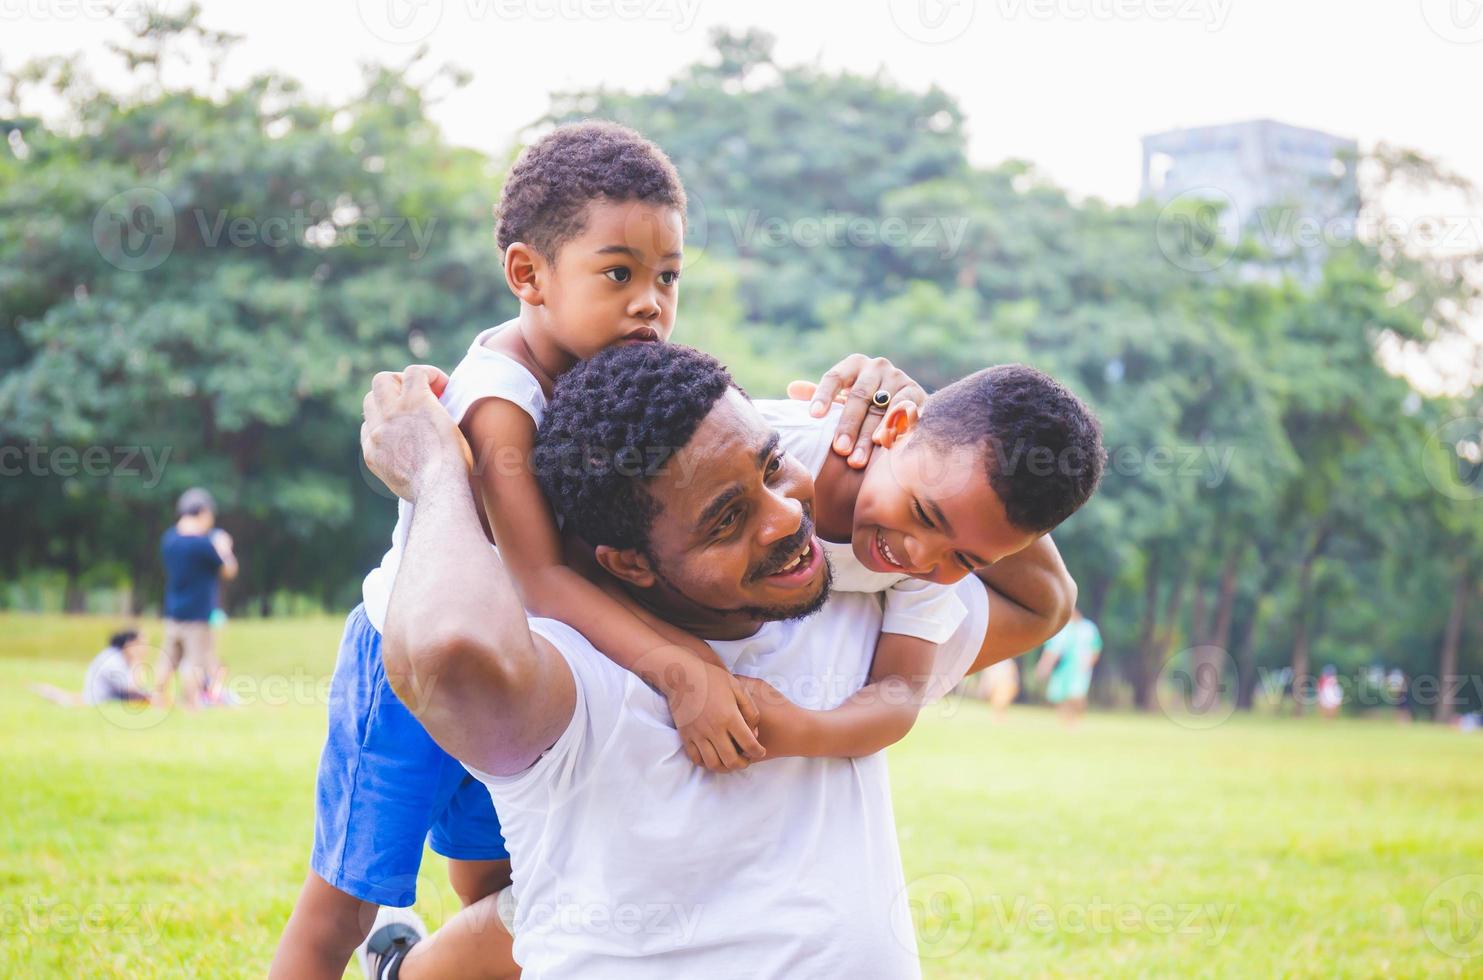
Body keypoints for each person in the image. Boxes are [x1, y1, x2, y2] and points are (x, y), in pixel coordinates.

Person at [269, 121, 917, 979]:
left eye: (668, 276)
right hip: (420, 659)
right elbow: (539, 577)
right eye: (619, 273)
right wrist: (684, 668)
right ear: (527, 275)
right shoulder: (498, 395)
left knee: (511, 881)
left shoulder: (616, 372)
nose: (650, 301)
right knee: (344, 898)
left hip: (531, 671)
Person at [346, 345, 1082, 978]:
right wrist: (437, 472)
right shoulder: (573, 654)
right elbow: (458, 640)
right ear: (625, 565)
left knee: (518, 901)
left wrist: (928, 416)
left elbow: (1043, 600)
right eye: (727, 518)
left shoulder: (878, 593)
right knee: (455, 890)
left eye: (772, 469)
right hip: (445, 656)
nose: (786, 516)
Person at [156, 486, 237, 708]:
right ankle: (191, 704)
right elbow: (228, 570)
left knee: (167, 659)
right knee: (194, 662)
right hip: (198, 614)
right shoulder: (202, 544)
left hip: (173, 610)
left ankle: (158, 700)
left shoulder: (169, 539)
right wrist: (224, 548)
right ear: (202, 512)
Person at [31, 629, 151, 707]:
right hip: (96, 700)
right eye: (142, 644)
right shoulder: (112, 660)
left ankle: (45, 690)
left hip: (102, 698)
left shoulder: (121, 658)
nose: (146, 649)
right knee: (68, 700)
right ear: (129, 645)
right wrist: (137, 662)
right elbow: (133, 689)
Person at [1036, 607, 1102, 727]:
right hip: (1062, 668)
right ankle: (1065, 721)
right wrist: (1045, 666)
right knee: (1060, 695)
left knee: (1077, 695)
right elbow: (1051, 650)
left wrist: (1088, 664)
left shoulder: (1088, 628)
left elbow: (1096, 648)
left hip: (1079, 668)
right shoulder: (1061, 629)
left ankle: (1076, 720)